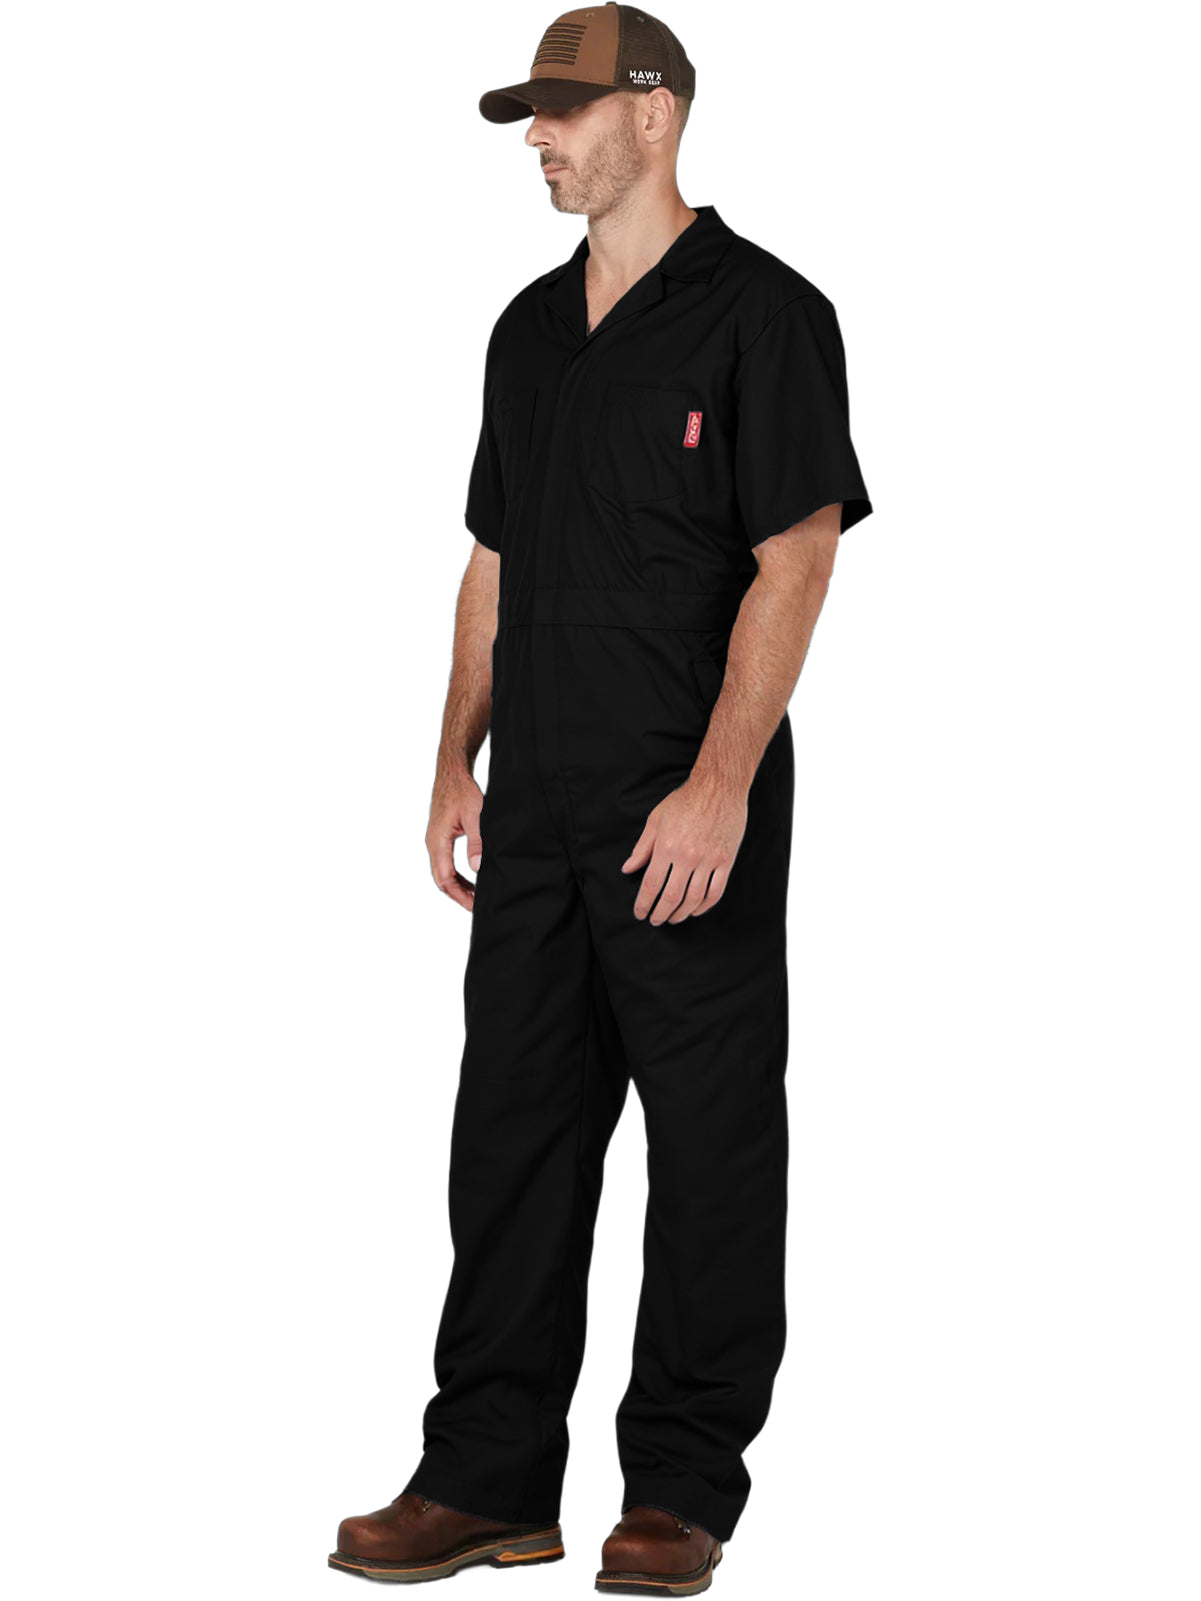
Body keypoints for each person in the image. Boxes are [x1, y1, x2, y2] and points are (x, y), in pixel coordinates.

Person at [329, 4, 872, 1591]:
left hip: (679, 809)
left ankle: (679, 1487)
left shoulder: (765, 317)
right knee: (510, 1142)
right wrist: (453, 754)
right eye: (530, 116)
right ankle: (485, 1476)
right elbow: (492, 559)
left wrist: (720, 785)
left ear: (656, 112)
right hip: (537, 816)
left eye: (564, 112)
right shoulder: (524, 331)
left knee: (709, 1150)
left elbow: (796, 556)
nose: (540, 141)